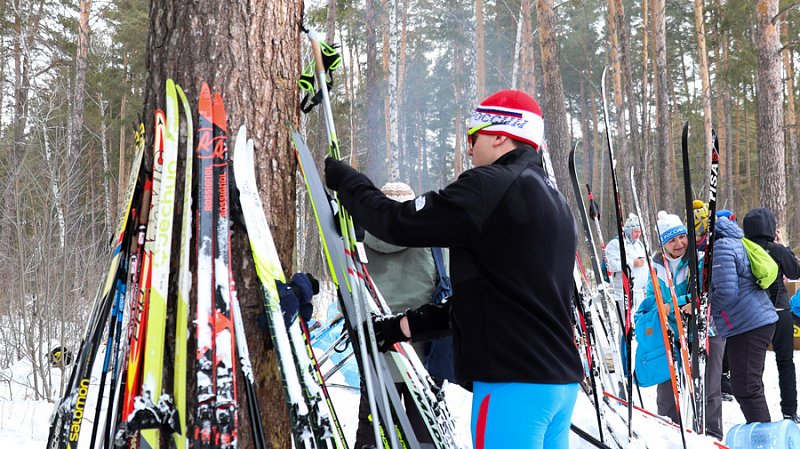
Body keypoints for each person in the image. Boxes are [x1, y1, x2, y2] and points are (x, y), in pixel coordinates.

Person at [324, 89, 583, 449]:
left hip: (512, 383)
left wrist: (347, 181)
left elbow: (398, 223)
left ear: (500, 134)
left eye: (472, 138)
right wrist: (401, 327)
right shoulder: (555, 201)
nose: (469, 149)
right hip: (559, 385)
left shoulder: (490, 187)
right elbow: (495, 299)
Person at [354, 181, 449, 448]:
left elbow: (350, 300)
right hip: (424, 362)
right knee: (424, 437)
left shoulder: (359, 244)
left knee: (373, 437)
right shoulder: (434, 245)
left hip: (377, 359)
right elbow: (448, 294)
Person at [711, 215, 778, 423]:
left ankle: (764, 439)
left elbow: (726, 291)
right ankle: (762, 433)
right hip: (754, 320)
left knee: (746, 388)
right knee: (750, 386)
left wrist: (703, 306)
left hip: (748, 323)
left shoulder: (721, 248)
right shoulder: (734, 242)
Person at [742, 207, 800, 423]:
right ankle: (789, 412)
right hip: (781, 311)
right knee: (785, 362)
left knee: (756, 367)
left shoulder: (743, 249)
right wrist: (783, 245)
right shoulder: (777, 249)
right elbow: (795, 272)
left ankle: (759, 414)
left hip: (755, 314)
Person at [690, 200, 726, 439]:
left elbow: (722, 288)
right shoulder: (690, 252)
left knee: (712, 383)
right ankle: (697, 426)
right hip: (695, 327)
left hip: (715, 326)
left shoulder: (719, 247)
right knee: (696, 381)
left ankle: (712, 430)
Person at [604, 213, 648, 310]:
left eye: (640, 232)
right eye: (636, 232)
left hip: (640, 292)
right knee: (626, 322)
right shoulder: (616, 244)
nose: (638, 234)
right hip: (623, 292)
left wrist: (646, 288)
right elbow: (611, 265)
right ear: (628, 231)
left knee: (640, 321)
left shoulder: (639, 244)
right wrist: (632, 263)